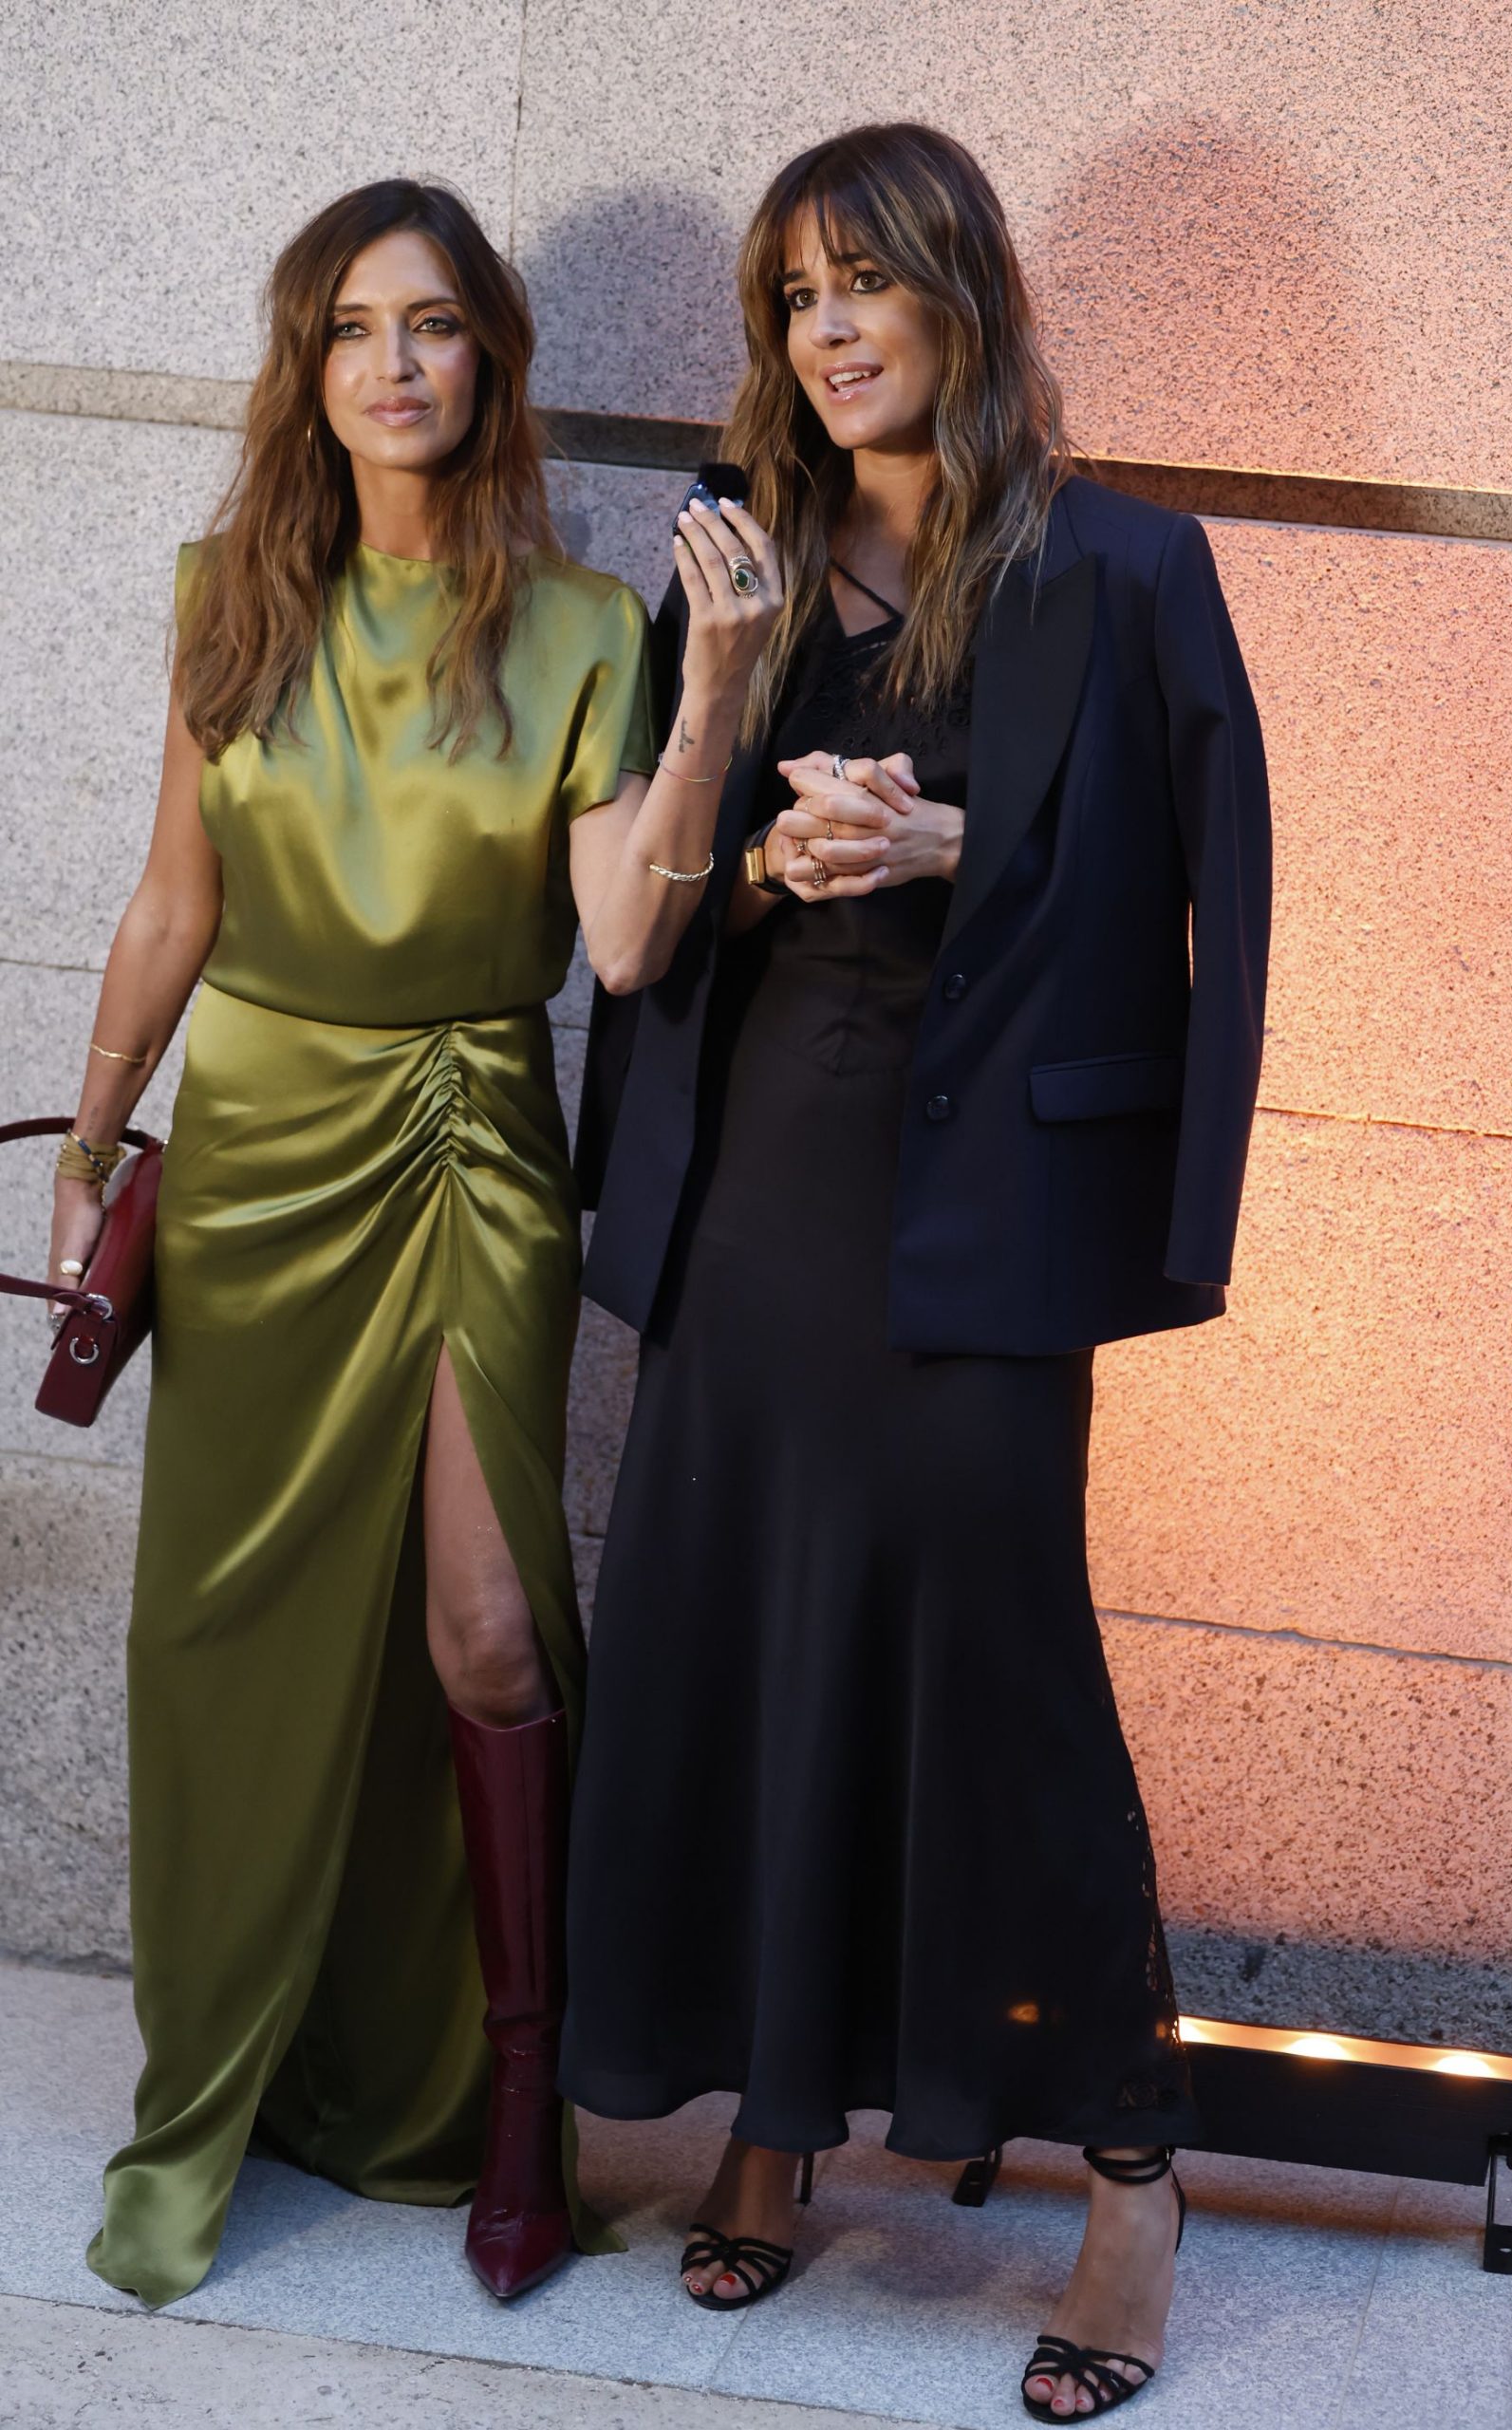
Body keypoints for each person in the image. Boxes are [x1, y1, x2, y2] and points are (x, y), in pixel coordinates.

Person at [562, 123, 1270, 2421]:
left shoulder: (1129, 569)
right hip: (760, 1175)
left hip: (984, 1221)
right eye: (793, 293)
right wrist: (734, 751)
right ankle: (773, 2117)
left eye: (867, 281)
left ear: (963, 295)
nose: (829, 329)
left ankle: (1133, 2166)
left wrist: (969, 849)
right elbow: (641, 930)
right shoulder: (735, 562)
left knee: (1000, 1679)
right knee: (746, 1632)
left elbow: (1212, 927)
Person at [50, 177, 777, 2311]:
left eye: (436, 323)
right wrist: (94, 1130)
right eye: (356, 325)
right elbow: (175, 903)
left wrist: (718, 682)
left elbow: (629, 939)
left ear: (488, 363)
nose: (396, 361)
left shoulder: (578, 628)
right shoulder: (227, 601)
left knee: (484, 1627)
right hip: (260, 1145)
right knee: (231, 1628)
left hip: (471, 1135)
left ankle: (513, 2112)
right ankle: (233, 2068)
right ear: (311, 365)